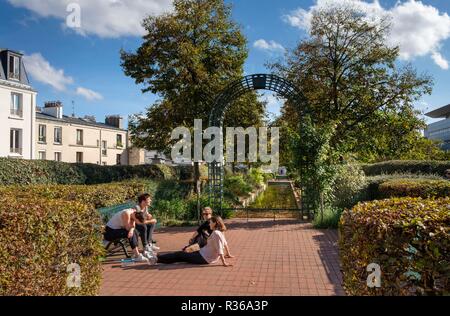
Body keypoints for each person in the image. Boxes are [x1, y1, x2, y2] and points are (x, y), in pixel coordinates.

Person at [154, 216, 235, 267]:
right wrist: (228, 254)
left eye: (210, 222)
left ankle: (157, 258)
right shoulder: (219, 232)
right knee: (183, 253)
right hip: (203, 253)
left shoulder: (216, 233)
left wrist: (224, 262)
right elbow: (225, 243)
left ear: (215, 223)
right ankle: (158, 259)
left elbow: (220, 248)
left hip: (204, 258)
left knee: (179, 255)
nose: (209, 224)